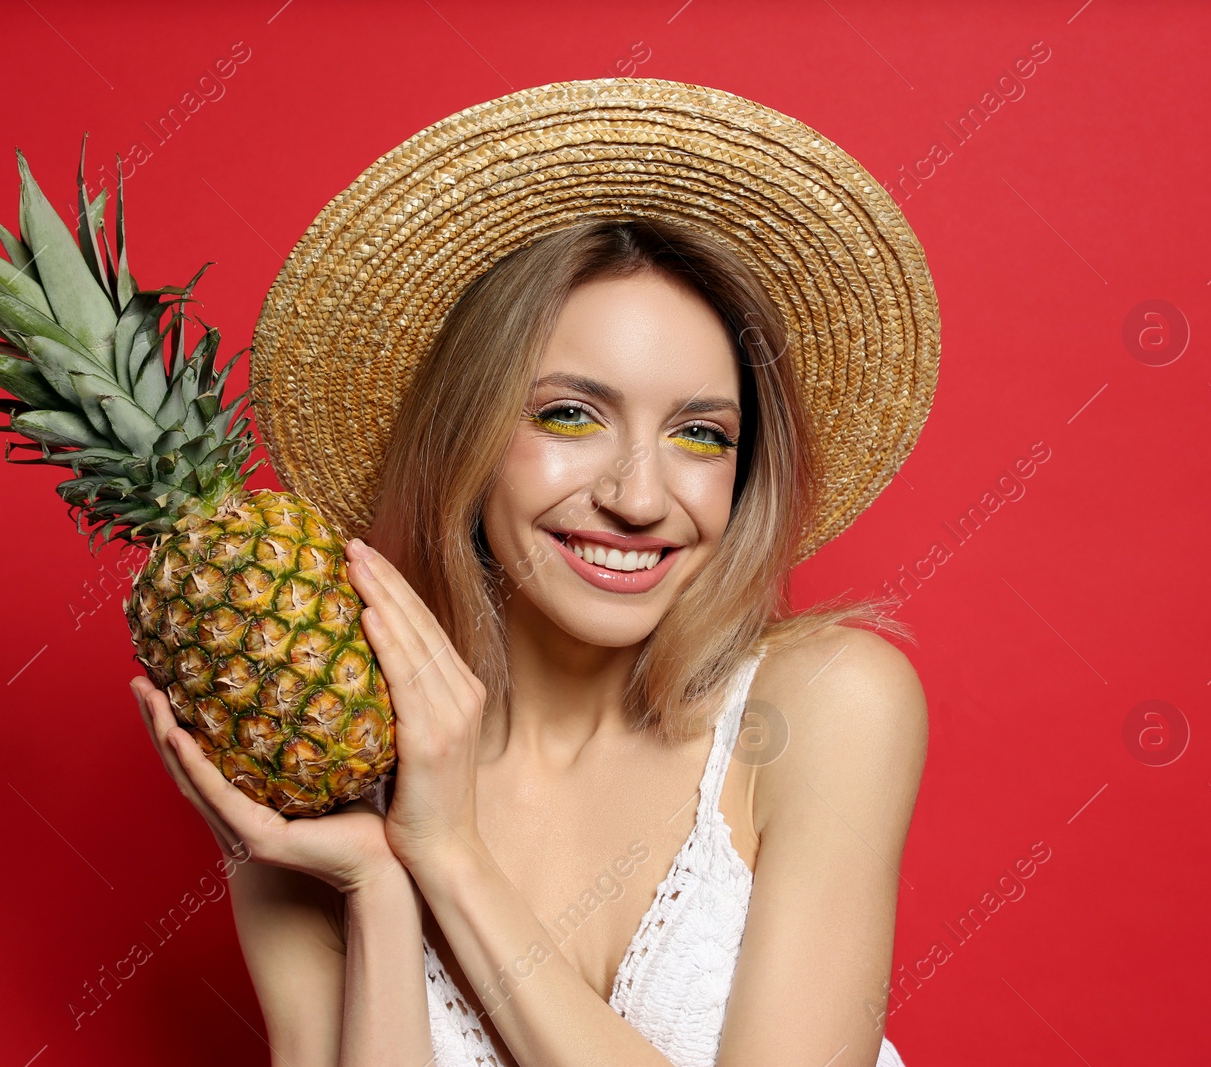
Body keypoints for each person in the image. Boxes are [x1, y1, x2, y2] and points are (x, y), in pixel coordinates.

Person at [133, 79, 939, 1067]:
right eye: (569, 414)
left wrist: (448, 854)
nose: (641, 497)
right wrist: (378, 889)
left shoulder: (827, 704)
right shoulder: (315, 765)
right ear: (462, 438)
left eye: (699, 433)